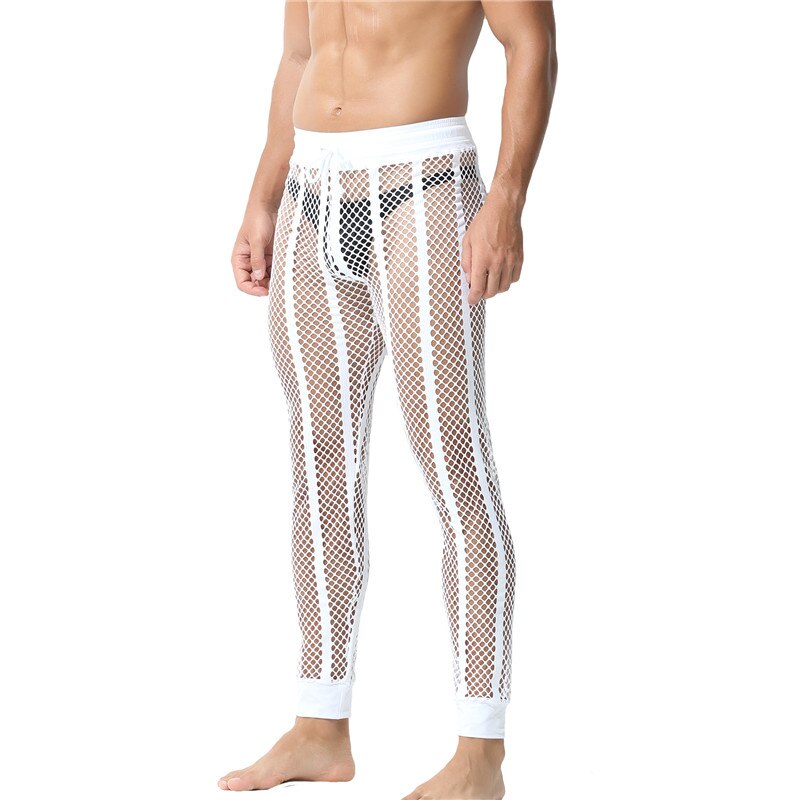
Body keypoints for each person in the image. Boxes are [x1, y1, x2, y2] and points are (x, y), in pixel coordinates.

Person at [222, 1, 557, 796]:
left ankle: (480, 753)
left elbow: (531, 46)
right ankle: (319, 727)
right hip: (310, 190)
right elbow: (299, 55)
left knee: (455, 466)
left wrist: (507, 200)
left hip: (423, 185)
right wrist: (261, 198)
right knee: (319, 469)